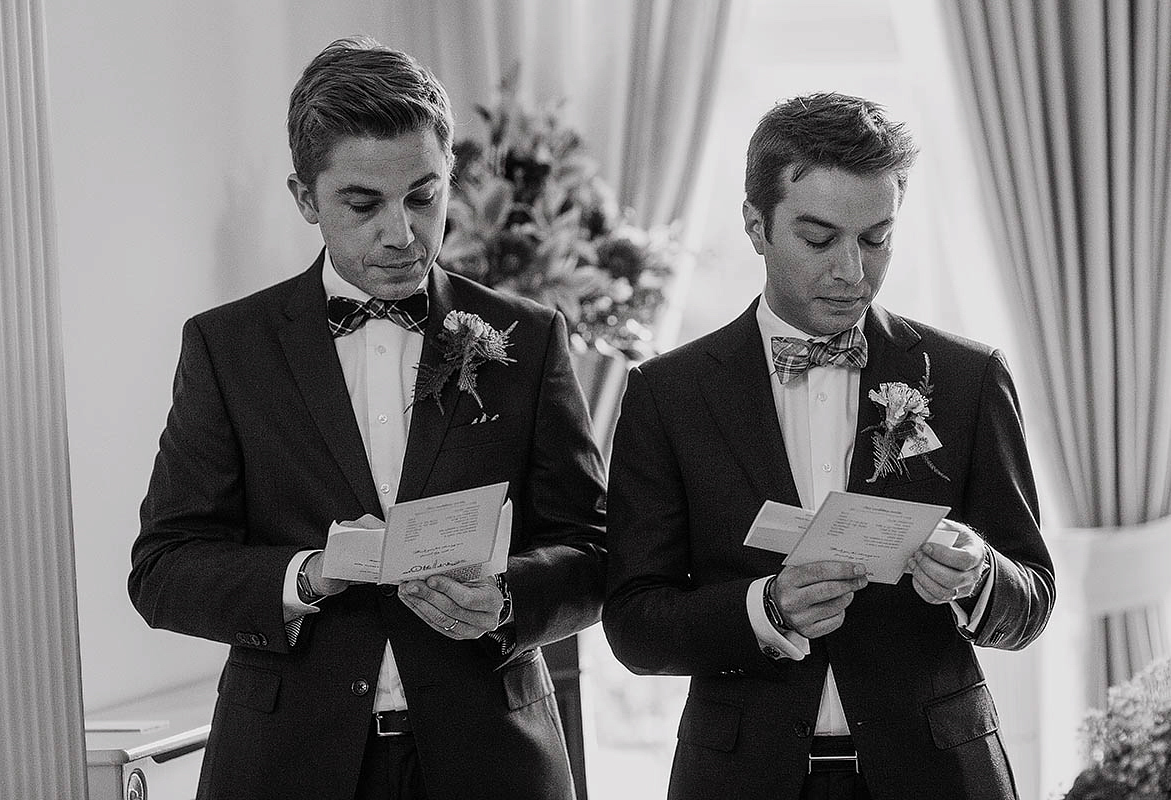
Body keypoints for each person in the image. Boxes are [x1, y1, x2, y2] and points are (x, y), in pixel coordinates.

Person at [129, 37, 606, 800]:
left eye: (424, 195)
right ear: (304, 197)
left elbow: (592, 548)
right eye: (363, 203)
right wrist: (308, 575)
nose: (402, 231)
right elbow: (162, 570)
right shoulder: (226, 348)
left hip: (492, 760)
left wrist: (507, 597)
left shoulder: (530, 334)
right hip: (286, 763)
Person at [602, 92, 1054, 799]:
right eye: (819, 239)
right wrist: (765, 609)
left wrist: (978, 575)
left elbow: (1034, 596)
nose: (853, 271)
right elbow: (634, 624)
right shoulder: (669, 392)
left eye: (877, 239)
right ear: (756, 225)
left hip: (940, 775)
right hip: (739, 778)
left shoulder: (969, 378)